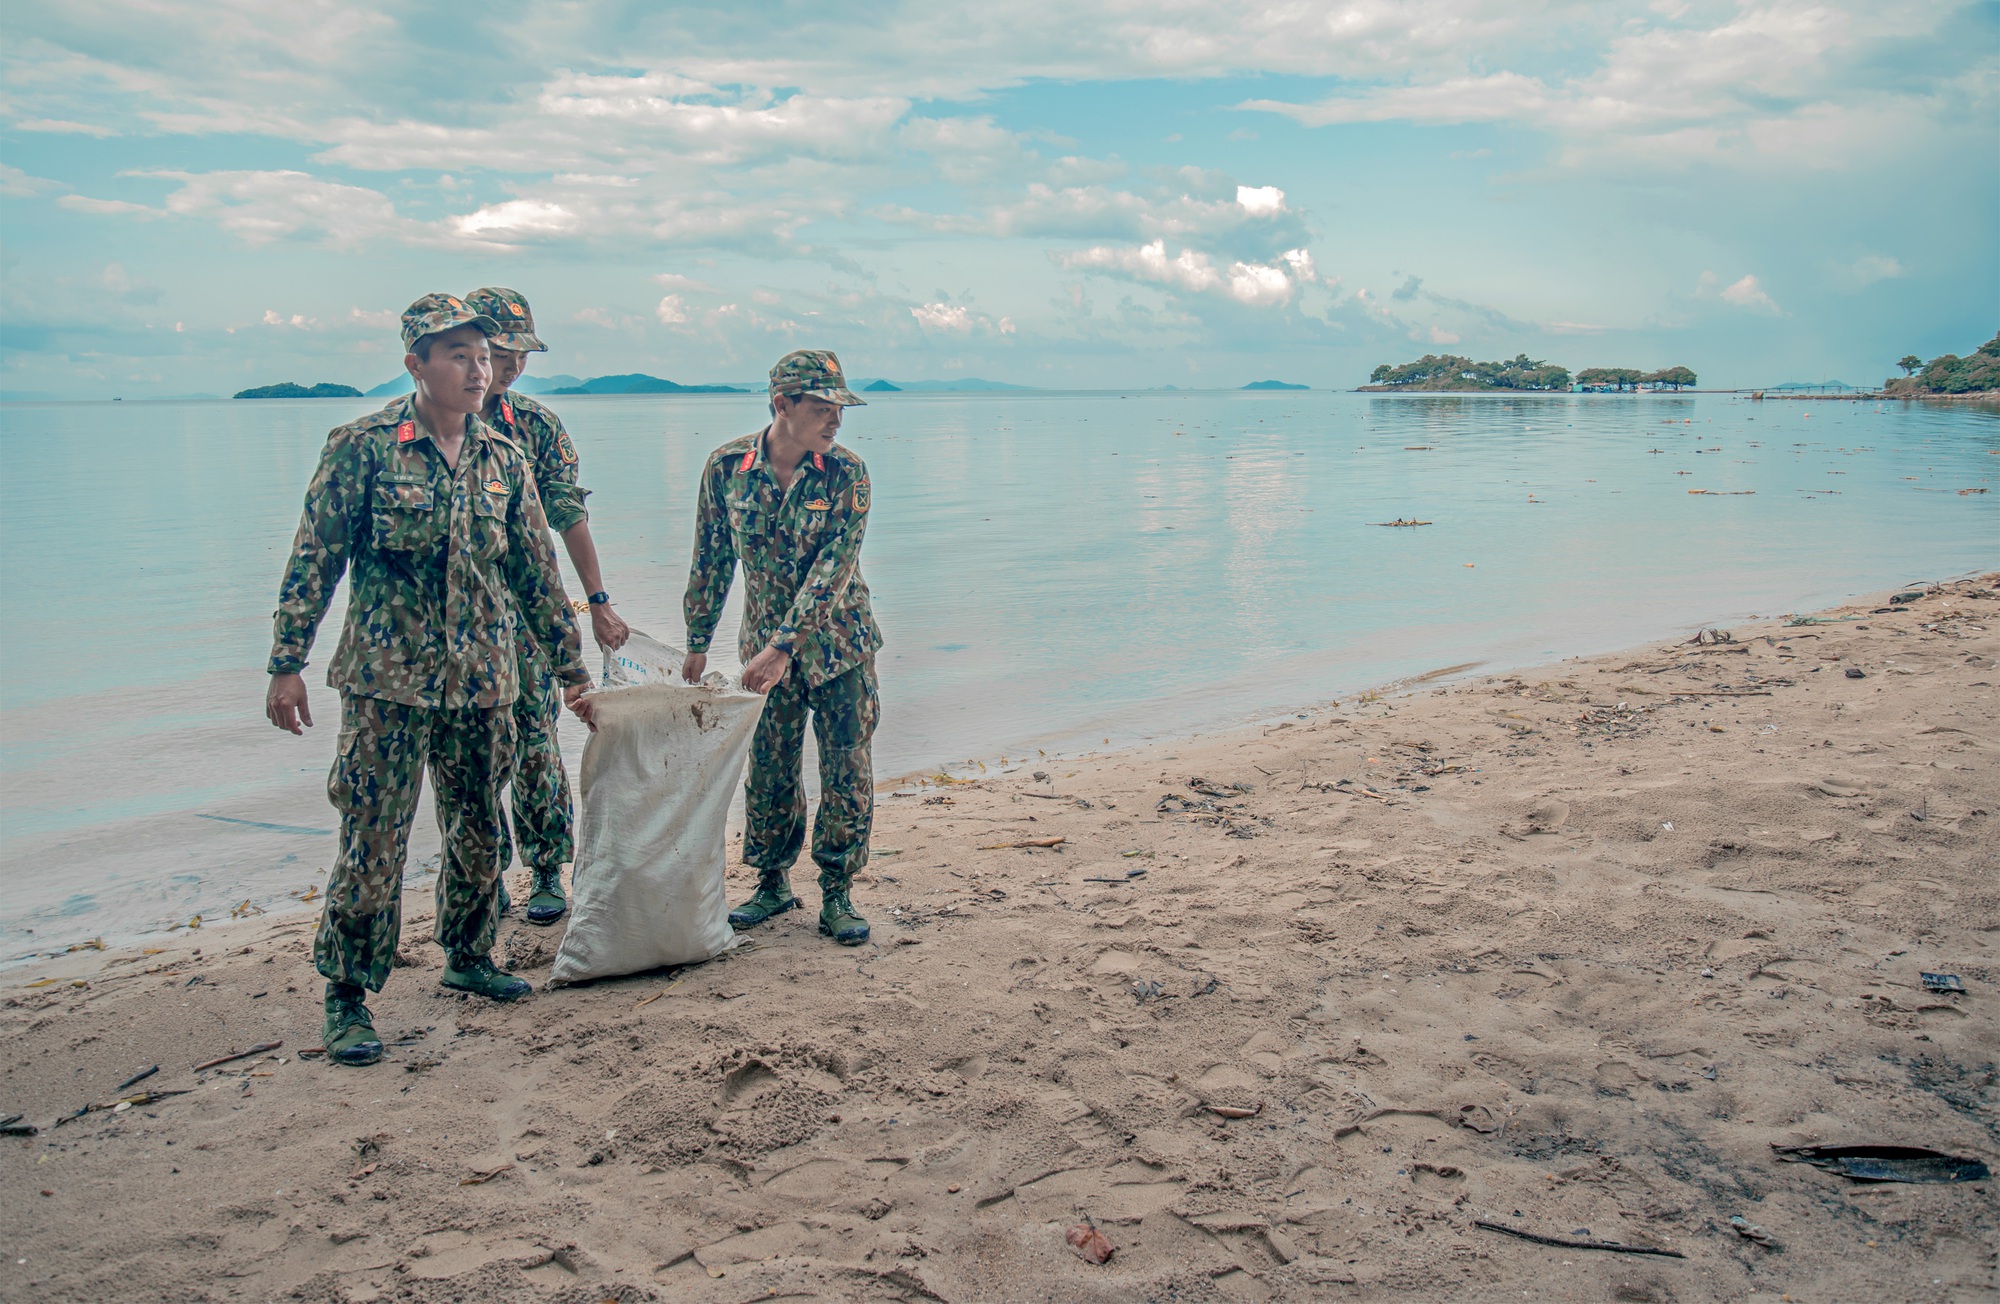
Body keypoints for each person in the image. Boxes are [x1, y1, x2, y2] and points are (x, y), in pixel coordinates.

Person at [264, 293, 592, 1067]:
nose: (479, 370)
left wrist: (573, 670)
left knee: (479, 829)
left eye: (484, 356)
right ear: (416, 363)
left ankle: (469, 956)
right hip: (389, 684)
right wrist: (287, 664)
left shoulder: (504, 459)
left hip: (485, 681)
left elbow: (536, 573)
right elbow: (315, 559)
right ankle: (347, 994)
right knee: (372, 840)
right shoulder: (363, 447)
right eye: (459, 356)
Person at [681, 350, 882, 947]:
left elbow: (833, 569)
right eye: (822, 409)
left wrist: (785, 646)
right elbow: (710, 557)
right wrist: (697, 641)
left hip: (840, 645)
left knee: (846, 765)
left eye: (838, 409)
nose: (835, 421)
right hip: (762, 654)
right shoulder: (726, 468)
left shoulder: (848, 474)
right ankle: (771, 882)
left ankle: (838, 889)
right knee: (769, 767)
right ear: (782, 407)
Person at [464, 286, 629, 927]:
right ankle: (481, 873)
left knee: (534, 744)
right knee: (473, 755)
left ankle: (545, 869)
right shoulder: (422, 428)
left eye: (519, 354)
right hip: (455, 628)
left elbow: (569, 516)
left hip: (532, 619)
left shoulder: (534, 426)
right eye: (501, 351)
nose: (510, 366)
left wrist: (599, 601)